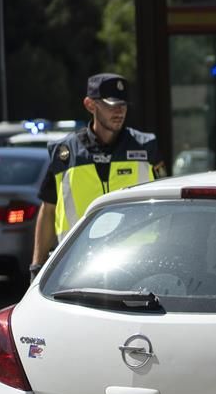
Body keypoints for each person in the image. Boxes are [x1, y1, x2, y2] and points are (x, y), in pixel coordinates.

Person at [31, 73, 163, 274]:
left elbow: (168, 207)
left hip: (139, 263)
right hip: (75, 265)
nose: (119, 111)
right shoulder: (66, 153)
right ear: (90, 105)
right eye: (111, 104)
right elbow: (48, 210)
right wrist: (37, 266)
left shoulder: (146, 147)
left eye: (124, 104)